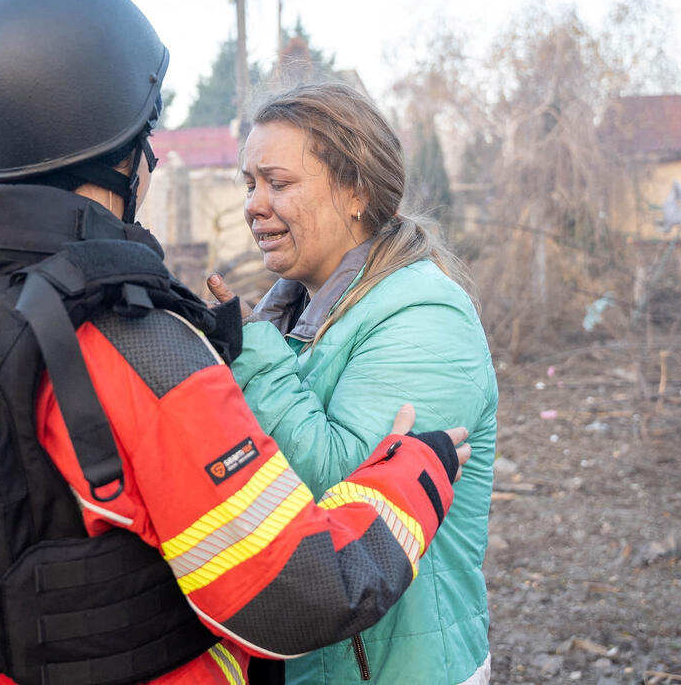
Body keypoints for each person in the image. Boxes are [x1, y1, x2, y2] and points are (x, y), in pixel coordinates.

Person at [0, 0, 473, 685]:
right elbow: (299, 592)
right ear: (123, 154)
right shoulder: (135, 342)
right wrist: (413, 472)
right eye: (145, 137)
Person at [207, 83, 498, 685]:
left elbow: (348, 503)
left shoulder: (425, 317)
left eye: (278, 182)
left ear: (357, 191)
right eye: (249, 184)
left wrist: (249, 353)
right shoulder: (292, 315)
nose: (255, 205)